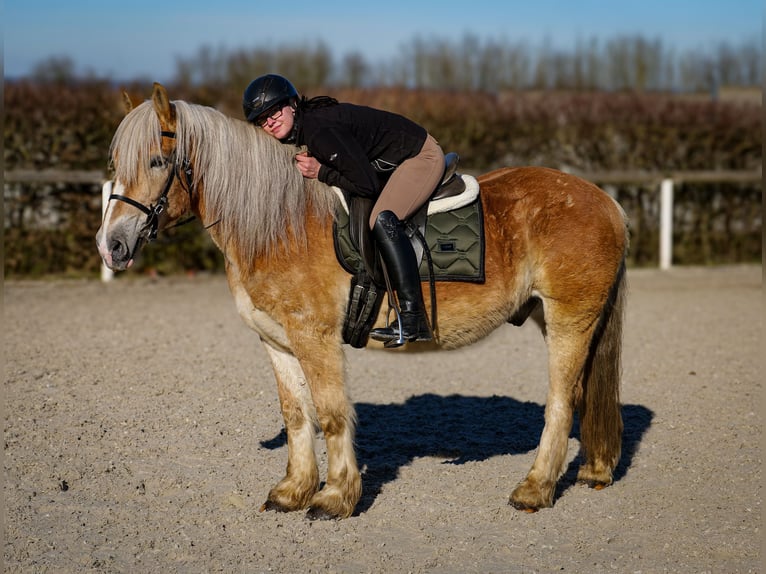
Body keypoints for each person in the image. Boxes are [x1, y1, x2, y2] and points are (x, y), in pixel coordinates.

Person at [242, 74, 445, 346]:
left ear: (292, 104)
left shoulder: (317, 131)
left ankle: (413, 319)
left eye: (274, 111)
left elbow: (367, 185)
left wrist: (322, 171)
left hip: (420, 156)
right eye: (261, 119)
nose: (269, 121)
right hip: (393, 159)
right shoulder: (306, 126)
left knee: (382, 219)